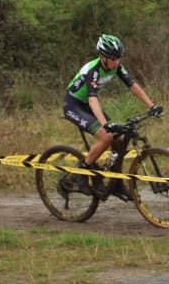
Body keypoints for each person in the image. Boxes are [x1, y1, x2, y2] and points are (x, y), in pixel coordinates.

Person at [61, 34, 161, 194]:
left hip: (87, 104)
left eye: (118, 58)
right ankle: (81, 172)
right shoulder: (92, 71)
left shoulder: (117, 67)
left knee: (119, 141)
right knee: (106, 136)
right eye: (112, 59)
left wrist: (152, 106)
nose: (116, 62)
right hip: (74, 105)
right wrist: (104, 124)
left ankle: (116, 183)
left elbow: (132, 85)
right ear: (102, 57)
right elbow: (93, 99)